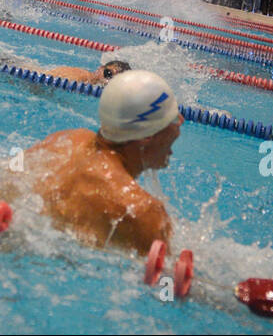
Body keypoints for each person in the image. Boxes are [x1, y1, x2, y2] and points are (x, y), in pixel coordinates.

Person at [12, 70, 180, 255]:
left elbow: (9, 183)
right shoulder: (141, 211)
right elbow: (162, 277)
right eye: (173, 118)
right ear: (147, 135)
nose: (181, 121)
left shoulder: (64, 141)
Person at [45, 60, 132, 86]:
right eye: (108, 73)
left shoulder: (88, 84)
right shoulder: (81, 77)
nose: (106, 80)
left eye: (113, 80)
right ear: (100, 69)